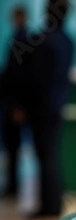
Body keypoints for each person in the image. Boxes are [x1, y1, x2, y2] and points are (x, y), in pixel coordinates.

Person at [25, 0, 75, 218]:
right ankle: (53, 204)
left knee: (45, 156)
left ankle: (48, 206)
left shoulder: (43, 40)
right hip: (57, 104)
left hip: (41, 107)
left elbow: (36, 78)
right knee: (51, 155)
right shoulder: (69, 40)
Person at [0, 6, 29, 197]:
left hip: (14, 103)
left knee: (14, 145)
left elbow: (20, 77)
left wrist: (18, 105)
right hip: (10, 101)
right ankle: (11, 184)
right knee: (11, 146)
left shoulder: (24, 41)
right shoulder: (17, 39)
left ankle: (13, 185)